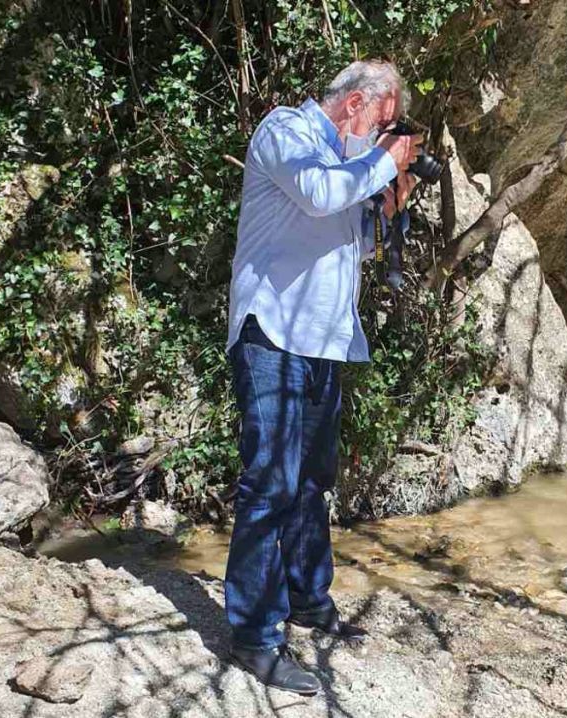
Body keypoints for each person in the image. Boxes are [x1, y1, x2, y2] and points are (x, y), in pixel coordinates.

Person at [223, 60, 422, 694]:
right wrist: (385, 162)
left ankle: (310, 602)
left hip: (323, 341)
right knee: (270, 482)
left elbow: (349, 238)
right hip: (271, 333)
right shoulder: (287, 132)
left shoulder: (349, 168)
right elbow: (317, 194)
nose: (386, 137)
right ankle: (255, 638)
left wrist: (390, 204)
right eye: (384, 125)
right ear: (356, 104)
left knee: (312, 481)